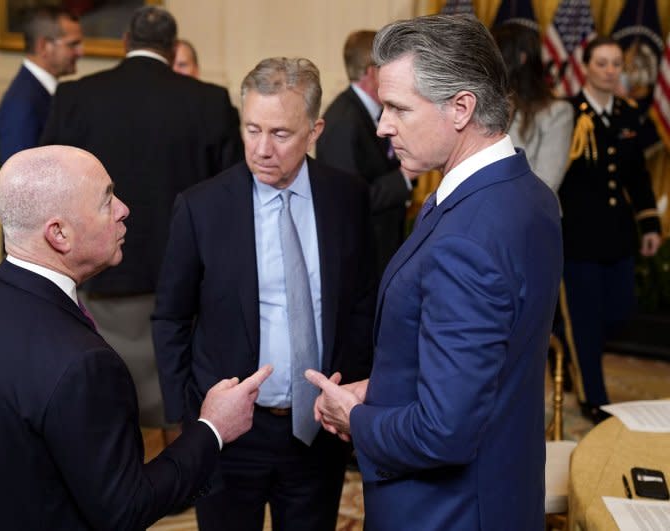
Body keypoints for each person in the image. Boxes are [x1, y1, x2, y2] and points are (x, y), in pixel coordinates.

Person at [0, 145, 272, 530]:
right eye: (106, 200)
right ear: (58, 234)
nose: (124, 210)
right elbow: (127, 508)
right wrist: (212, 428)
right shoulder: (84, 362)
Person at [305, 14, 563, 530]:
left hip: (445, 512)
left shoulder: (467, 237)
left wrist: (355, 418)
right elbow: (483, 363)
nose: (382, 126)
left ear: (461, 107)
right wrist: (381, 388)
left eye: (398, 108)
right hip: (500, 490)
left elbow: (445, 431)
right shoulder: (526, 193)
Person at [152, 57, 376, 531]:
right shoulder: (201, 207)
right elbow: (170, 317)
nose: (262, 149)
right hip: (231, 432)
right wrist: (191, 417)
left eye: (280, 133)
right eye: (252, 129)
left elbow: (361, 302)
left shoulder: (348, 198)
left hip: (316, 429)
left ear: (315, 131)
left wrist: (347, 391)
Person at [40, 6, 242, 431]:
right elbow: (231, 200)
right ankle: (180, 471)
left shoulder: (76, 96)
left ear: (125, 43)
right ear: (171, 51)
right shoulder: (208, 102)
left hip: (99, 272)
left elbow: (48, 188)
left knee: (102, 397)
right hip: (185, 279)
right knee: (178, 399)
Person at [559, 36, 662, 423]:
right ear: (586, 66)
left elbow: (637, 177)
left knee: (618, 313)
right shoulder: (567, 112)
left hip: (618, 237)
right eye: (601, 63)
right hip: (578, 237)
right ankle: (593, 398)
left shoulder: (630, 114)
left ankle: (568, 350)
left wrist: (649, 223)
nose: (609, 70)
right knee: (584, 321)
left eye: (616, 64)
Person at [317, 30, 412, 272]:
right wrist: (405, 176)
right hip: (362, 260)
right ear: (372, 71)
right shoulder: (343, 121)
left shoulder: (369, 111)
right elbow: (350, 201)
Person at [492, 23, 573, 194]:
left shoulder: (556, 112)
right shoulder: (487, 105)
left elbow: (546, 182)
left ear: (521, 58)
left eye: (497, 52)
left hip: (530, 213)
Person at [0, 6, 82, 165]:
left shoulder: (40, 92)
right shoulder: (22, 102)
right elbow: (19, 177)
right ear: (43, 46)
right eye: (73, 45)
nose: (80, 52)